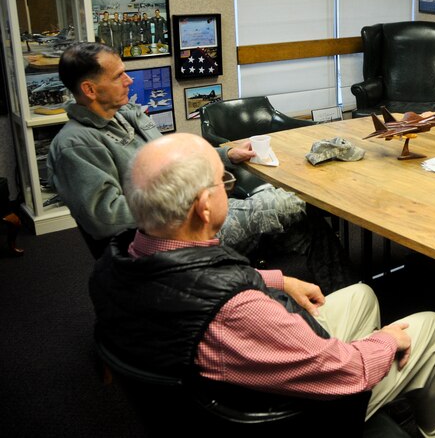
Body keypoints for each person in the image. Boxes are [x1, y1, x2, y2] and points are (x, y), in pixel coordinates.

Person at [89, 133, 435, 437]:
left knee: (361, 295)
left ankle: (385, 404)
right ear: (204, 207)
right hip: (292, 414)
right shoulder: (237, 311)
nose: (228, 188)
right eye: (223, 181)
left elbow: (191, 284)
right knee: (426, 326)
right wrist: (385, 341)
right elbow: (347, 369)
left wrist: (278, 279)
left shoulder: (118, 261)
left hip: (214, 382)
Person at [47, 42, 353, 293]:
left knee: (306, 220)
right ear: (89, 89)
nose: (129, 81)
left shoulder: (125, 114)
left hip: (193, 217)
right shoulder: (74, 146)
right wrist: (182, 200)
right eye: (118, 76)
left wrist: (224, 154)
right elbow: (106, 218)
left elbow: (177, 157)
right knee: (289, 202)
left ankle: (344, 297)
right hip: (164, 245)